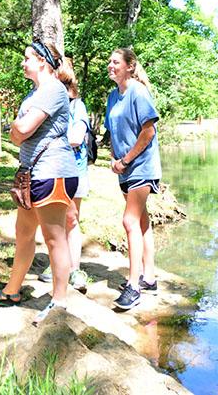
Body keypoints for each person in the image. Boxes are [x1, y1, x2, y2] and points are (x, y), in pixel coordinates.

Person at [0, 41, 79, 326]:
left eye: (27, 58)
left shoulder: (53, 90)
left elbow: (21, 129)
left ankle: (59, 302)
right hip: (31, 175)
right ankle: (12, 291)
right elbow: (17, 135)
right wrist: (19, 128)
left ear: (42, 62)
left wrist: (19, 126)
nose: (23, 63)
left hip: (54, 174)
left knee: (53, 238)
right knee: (24, 233)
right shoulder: (35, 93)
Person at [104, 47, 161, 311]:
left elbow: (148, 132)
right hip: (124, 168)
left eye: (115, 62)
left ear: (129, 66)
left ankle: (133, 286)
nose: (110, 65)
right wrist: (116, 159)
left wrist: (126, 160)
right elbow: (113, 131)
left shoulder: (138, 92)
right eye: (109, 62)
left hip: (142, 166)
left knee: (129, 220)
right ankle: (149, 277)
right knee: (140, 220)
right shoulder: (112, 97)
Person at [39, 57, 90, 292]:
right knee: (54, 221)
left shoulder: (77, 106)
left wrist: (50, 140)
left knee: (71, 219)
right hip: (52, 170)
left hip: (74, 171)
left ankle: (74, 269)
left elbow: (77, 137)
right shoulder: (47, 101)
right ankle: (58, 263)